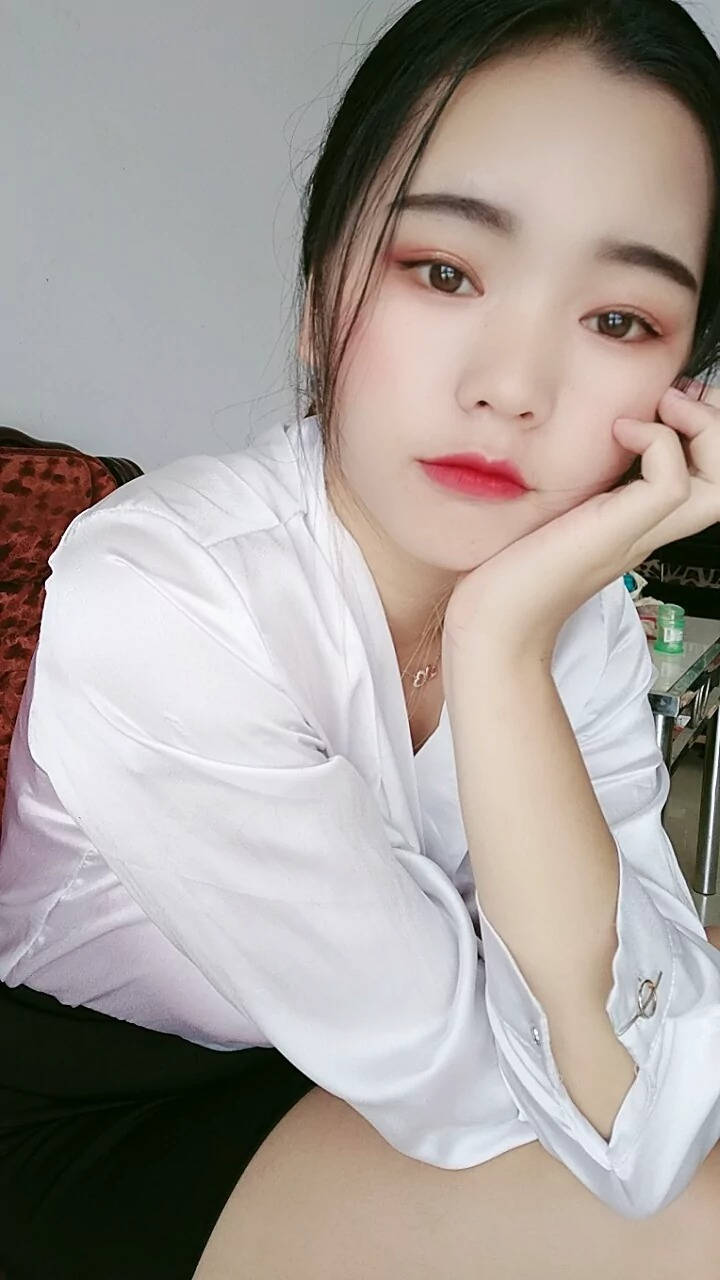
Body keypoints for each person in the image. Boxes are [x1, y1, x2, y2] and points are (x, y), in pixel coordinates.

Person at [2, 0, 720, 1275]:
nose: (512, 385)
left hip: (334, 1079)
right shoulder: (158, 595)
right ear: (316, 292)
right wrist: (504, 646)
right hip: (88, 1107)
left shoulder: (574, 623)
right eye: (444, 272)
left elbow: (639, 1095)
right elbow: (526, 1097)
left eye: (619, 320)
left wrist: (501, 635)